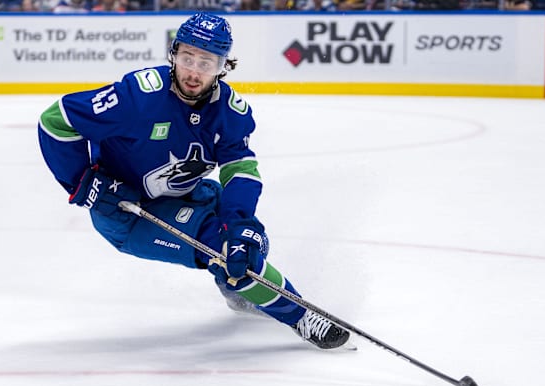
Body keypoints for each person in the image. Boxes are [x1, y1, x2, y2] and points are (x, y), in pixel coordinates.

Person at [37, 12, 350, 350]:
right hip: (128, 214)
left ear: (223, 66)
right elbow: (56, 121)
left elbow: (240, 171)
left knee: (248, 243)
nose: (194, 72)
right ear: (173, 54)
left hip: (187, 192)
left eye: (207, 63)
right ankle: (301, 316)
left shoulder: (231, 112)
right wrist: (84, 182)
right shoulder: (137, 97)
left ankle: (236, 289)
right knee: (223, 250)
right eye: (187, 58)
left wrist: (241, 223)